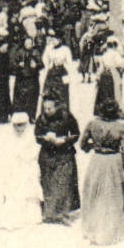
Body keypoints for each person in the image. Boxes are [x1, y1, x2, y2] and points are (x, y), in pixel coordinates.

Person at [79, 97, 124, 246]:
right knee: (114, 194)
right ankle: (112, 228)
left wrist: (93, 146)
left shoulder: (92, 124)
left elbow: (82, 145)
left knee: (95, 193)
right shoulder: (122, 127)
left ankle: (94, 227)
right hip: (114, 161)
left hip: (98, 160)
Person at [35, 91, 81, 224]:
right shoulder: (41, 119)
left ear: (57, 107)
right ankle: (50, 213)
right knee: (48, 183)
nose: (47, 111)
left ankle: (63, 213)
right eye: (45, 108)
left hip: (64, 154)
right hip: (47, 155)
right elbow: (37, 136)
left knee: (64, 184)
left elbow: (76, 133)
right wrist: (45, 138)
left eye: (50, 108)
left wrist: (65, 140)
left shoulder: (67, 117)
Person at [0, 113, 41, 230]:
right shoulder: (9, 139)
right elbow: (5, 154)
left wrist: (24, 157)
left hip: (28, 168)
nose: (19, 129)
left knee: (29, 191)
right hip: (14, 169)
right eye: (16, 126)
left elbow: (34, 153)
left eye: (22, 125)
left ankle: (31, 215)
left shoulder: (31, 138)